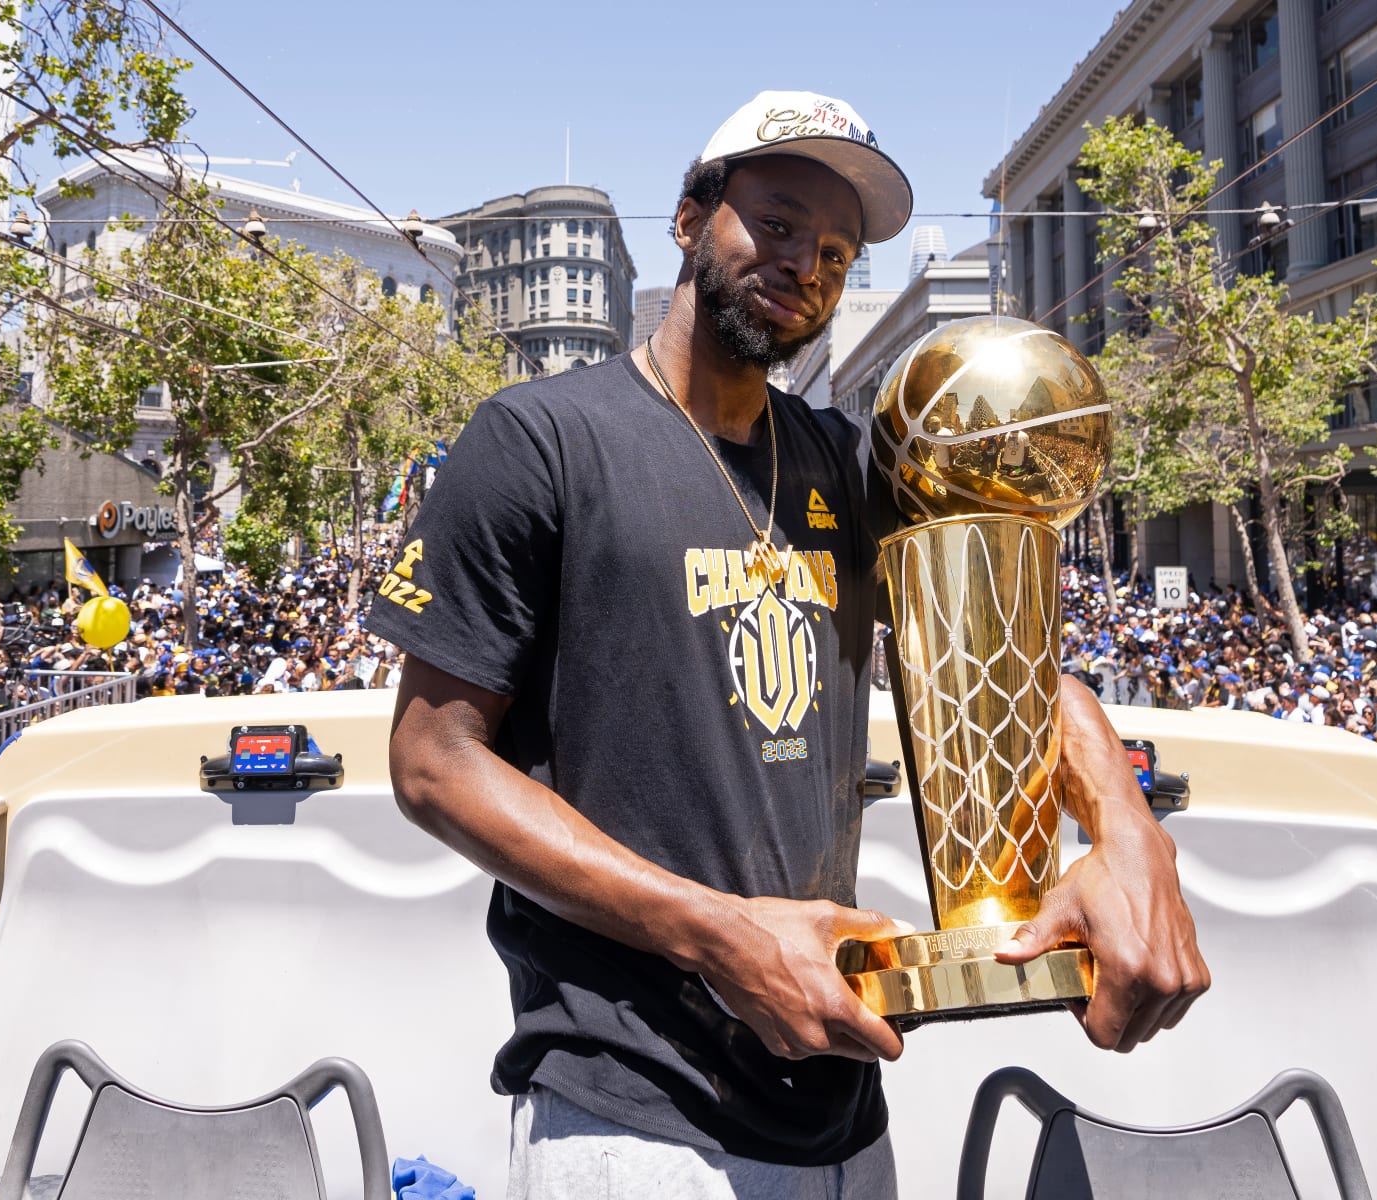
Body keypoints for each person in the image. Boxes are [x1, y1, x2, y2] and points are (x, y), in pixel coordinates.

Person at [378, 89, 1207, 1200]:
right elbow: (435, 765)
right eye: (774, 223)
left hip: (843, 1093)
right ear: (688, 219)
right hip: (631, 1110)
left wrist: (1127, 835)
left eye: (834, 249)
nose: (806, 263)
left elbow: (1014, 660)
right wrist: (718, 933)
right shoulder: (539, 440)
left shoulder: (842, 462)